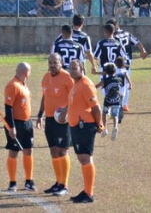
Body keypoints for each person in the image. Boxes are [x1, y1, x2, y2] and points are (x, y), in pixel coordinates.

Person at [63, 59, 104, 203]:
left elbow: (96, 108)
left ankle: (89, 193)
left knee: (86, 158)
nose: (71, 71)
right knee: (82, 158)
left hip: (85, 126)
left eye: (75, 69)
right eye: (70, 68)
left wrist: (100, 125)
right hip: (76, 126)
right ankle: (86, 190)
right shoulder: (76, 85)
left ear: (82, 69)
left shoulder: (86, 84)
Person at [35, 54, 74, 196]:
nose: (52, 65)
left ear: (61, 63)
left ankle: (65, 185)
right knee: (53, 151)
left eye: (55, 62)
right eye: (50, 62)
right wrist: (40, 115)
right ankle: (58, 183)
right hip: (50, 119)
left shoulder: (67, 77)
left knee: (62, 151)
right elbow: (45, 96)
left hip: (63, 121)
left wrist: (66, 110)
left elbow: (75, 96)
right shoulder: (46, 77)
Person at [3, 62, 36, 192]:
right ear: (27, 73)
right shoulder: (13, 85)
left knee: (28, 150)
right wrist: (11, 127)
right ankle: (12, 182)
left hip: (27, 123)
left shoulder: (23, 85)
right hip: (16, 124)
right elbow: (8, 107)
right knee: (13, 152)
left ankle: (29, 181)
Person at [95, 62, 131, 140]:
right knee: (115, 115)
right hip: (117, 100)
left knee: (104, 113)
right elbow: (120, 85)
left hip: (107, 100)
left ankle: (104, 129)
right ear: (115, 71)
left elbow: (97, 86)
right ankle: (115, 127)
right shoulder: (119, 79)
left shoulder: (105, 80)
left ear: (106, 72)